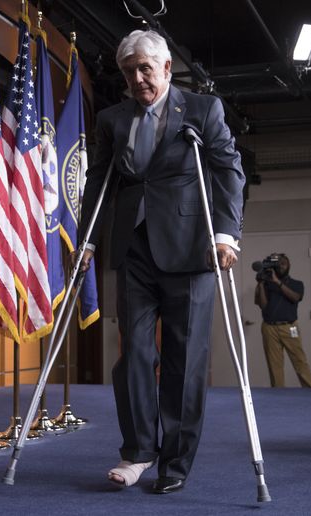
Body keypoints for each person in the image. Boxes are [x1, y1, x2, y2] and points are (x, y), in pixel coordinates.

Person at [76, 29, 245, 494]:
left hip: (191, 248)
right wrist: (86, 241)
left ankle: (176, 461)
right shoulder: (112, 119)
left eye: (145, 69)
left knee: (184, 360)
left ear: (166, 68)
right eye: (129, 71)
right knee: (134, 352)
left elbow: (228, 170)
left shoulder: (203, 110)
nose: (137, 79)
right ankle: (137, 452)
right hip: (134, 248)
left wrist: (226, 235)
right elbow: (98, 181)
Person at [254, 253, 311, 388]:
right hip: (269, 328)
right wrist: (261, 285)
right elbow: (263, 306)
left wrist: (277, 282)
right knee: (274, 365)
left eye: (284, 263)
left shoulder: (296, 284)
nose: (281, 266)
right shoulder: (267, 284)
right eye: (278, 264)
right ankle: (278, 394)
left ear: (289, 266)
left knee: (300, 361)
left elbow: (295, 297)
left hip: (290, 327)